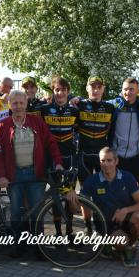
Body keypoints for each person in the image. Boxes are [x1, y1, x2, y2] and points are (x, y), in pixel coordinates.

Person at [0, 90, 63, 257]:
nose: (18, 106)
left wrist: (59, 163)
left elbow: (51, 143)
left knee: (37, 211)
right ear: (10, 105)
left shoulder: (36, 121)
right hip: (14, 174)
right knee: (17, 212)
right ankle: (19, 247)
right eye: (15, 103)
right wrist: (1, 175)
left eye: (21, 103)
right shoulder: (2, 125)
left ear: (26, 103)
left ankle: (39, 248)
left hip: (35, 173)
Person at [81, 147, 139, 268]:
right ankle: (115, 246)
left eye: (109, 160)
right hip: (107, 224)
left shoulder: (127, 177)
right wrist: (71, 196)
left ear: (116, 161)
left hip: (125, 219)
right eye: (102, 161)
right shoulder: (92, 180)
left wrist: (125, 210)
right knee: (120, 240)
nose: (106, 164)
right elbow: (77, 207)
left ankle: (127, 247)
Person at [40, 76, 80, 236]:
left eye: (63, 90)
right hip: (51, 158)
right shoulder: (44, 110)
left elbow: (78, 130)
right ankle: (58, 232)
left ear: (68, 91)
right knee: (56, 195)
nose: (60, 93)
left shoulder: (75, 111)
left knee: (70, 194)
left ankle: (69, 230)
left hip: (69, 157)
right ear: (53, 91)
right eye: (57, 90)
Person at [76, 76, 115, 234]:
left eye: (99, 87)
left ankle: (102, 227)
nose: (96, 90)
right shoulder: (79, 105)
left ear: (103, 89)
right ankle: (87, 226)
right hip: (84, 155)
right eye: (93, 87)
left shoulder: (110, 108)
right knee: (85, 194)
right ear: (87, 88)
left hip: (102, 158)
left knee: (102, 193)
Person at [108, 77, 139, 185]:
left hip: (136, 157)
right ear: (121, 90)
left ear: (137, 90)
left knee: (134, 193)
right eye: (125, 89)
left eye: (131, 89)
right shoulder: (115, 104)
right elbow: (96, 101)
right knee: (116, 193)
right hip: (117, 157)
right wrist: (76, 99)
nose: (128, 92)